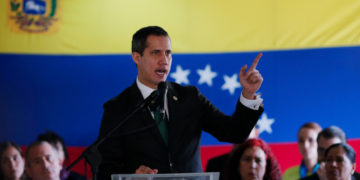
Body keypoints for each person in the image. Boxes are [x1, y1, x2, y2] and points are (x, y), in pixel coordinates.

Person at [97, 26, 264, 179]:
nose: (164, 60)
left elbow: (234, 133)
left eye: (168, 53)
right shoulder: (117, 109)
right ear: (137, 57)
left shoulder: (190, 97)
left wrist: (248, 94)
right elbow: (104, 170)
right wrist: (132, 176)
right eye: (156, 52)